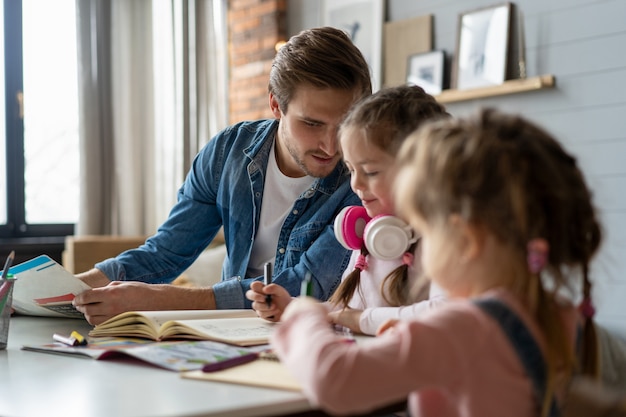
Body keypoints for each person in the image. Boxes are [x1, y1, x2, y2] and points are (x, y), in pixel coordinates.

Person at [271, 108, 602, 416]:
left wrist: (303, 317)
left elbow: (335, 380)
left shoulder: (464, 328)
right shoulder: (556, 313)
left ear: (466, 241)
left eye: (426, 228)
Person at [72, 26, 372, 325]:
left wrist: (161, 299)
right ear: (276, 106)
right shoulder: (226, 153)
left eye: (346, 123)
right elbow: (166, 253)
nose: (332, 146)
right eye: (312, 124)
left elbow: (308, 287)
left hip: (307, 337)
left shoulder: (362, 181)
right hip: (227, 333)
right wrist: (71, 290)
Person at [246, 84, 449, 335]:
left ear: (421, 171)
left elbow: (446, 314)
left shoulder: (444, 239)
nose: (356, 184)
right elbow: (346, 313)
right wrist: (291, 307)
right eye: (351, 170)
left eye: (371, 172)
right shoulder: (372, 236)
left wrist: (359, 319)